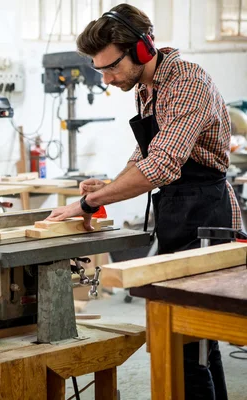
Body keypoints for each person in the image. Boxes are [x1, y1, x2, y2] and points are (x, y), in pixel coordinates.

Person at [45, 4, 239, 400]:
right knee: (195, 338)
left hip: (205, 215)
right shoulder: (148, 86)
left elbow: (163, 164)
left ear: (144, 49)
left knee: (186, 341)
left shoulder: (186, 82)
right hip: (177, 210)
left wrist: (88, 204)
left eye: (111, 68)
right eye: (100, 69)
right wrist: (110, 186)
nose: (107, 78)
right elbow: (146, 154)